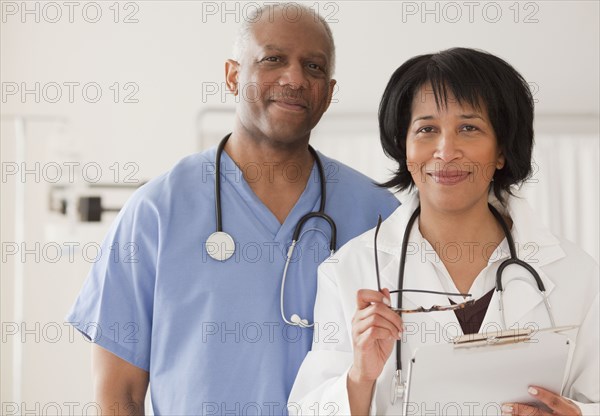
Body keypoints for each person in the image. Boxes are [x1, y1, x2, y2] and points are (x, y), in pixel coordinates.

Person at [65, 4, 399, 415]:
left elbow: (410, 369)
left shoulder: (378, 215)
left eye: (313, 67)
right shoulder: (155, 212)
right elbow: (119, 393)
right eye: (273, 59)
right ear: (232, 75)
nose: (294, 78)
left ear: (328, 93)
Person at [289, 48, 599, 415]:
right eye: (426, 129)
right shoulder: (349, 271)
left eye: (469, 128)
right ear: (404, 147)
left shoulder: (576, 273)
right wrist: (360, 376)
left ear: (501, 150)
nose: (446, 150)